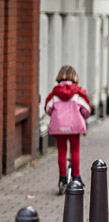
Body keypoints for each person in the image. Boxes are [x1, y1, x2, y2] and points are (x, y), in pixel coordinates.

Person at [44, 65, 92, 195]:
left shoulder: (54, 93)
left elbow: (48, 109)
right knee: (75, 150)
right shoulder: (78, 93)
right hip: (74, 126)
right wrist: (82, 114)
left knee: (61, 151)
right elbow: (87, 110)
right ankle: (76, 176)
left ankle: (62, 178)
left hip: (59, 126)